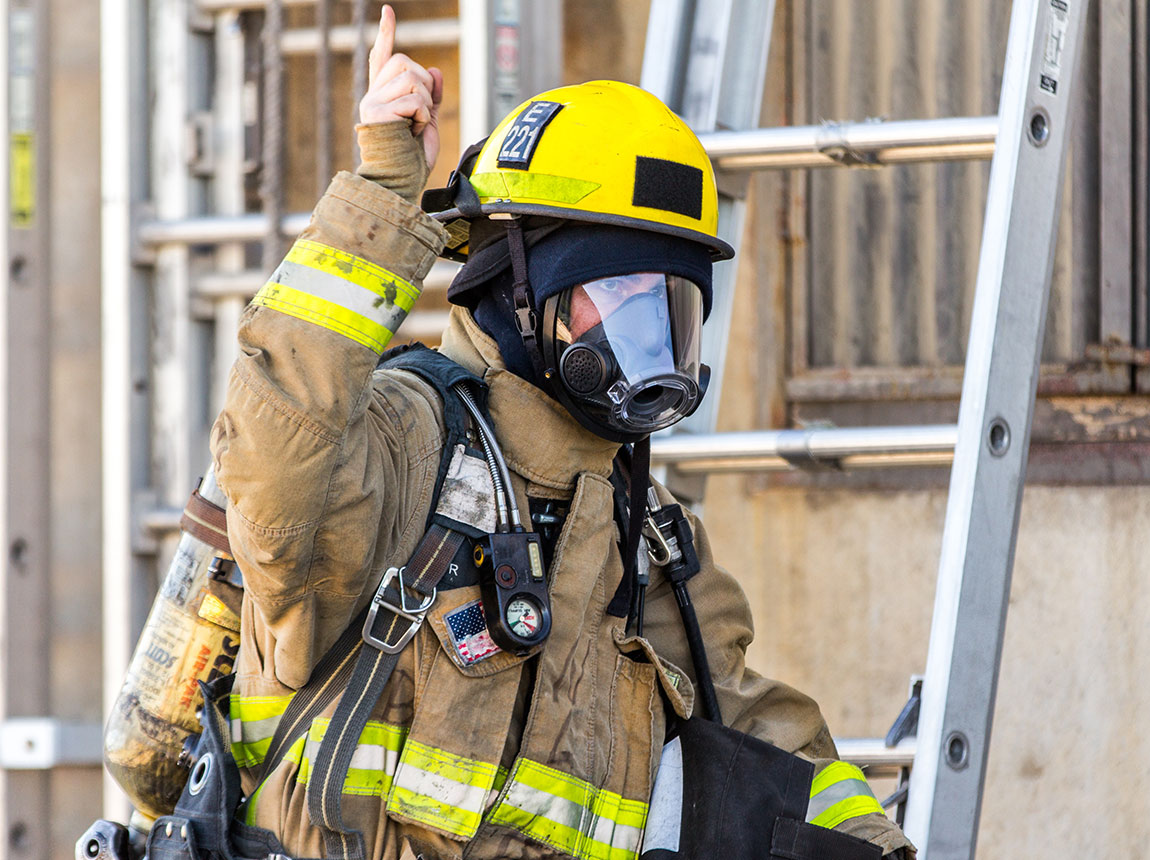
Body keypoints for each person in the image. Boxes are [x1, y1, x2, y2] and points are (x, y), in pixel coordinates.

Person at [209, 6, 916, 860]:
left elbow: (756, 733)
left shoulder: (645, 540)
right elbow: (274, 454)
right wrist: (382, 198)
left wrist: (876, 846)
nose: (653, 352)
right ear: (517, 284)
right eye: (624, 302)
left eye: (674, 313)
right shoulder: (398, 449)